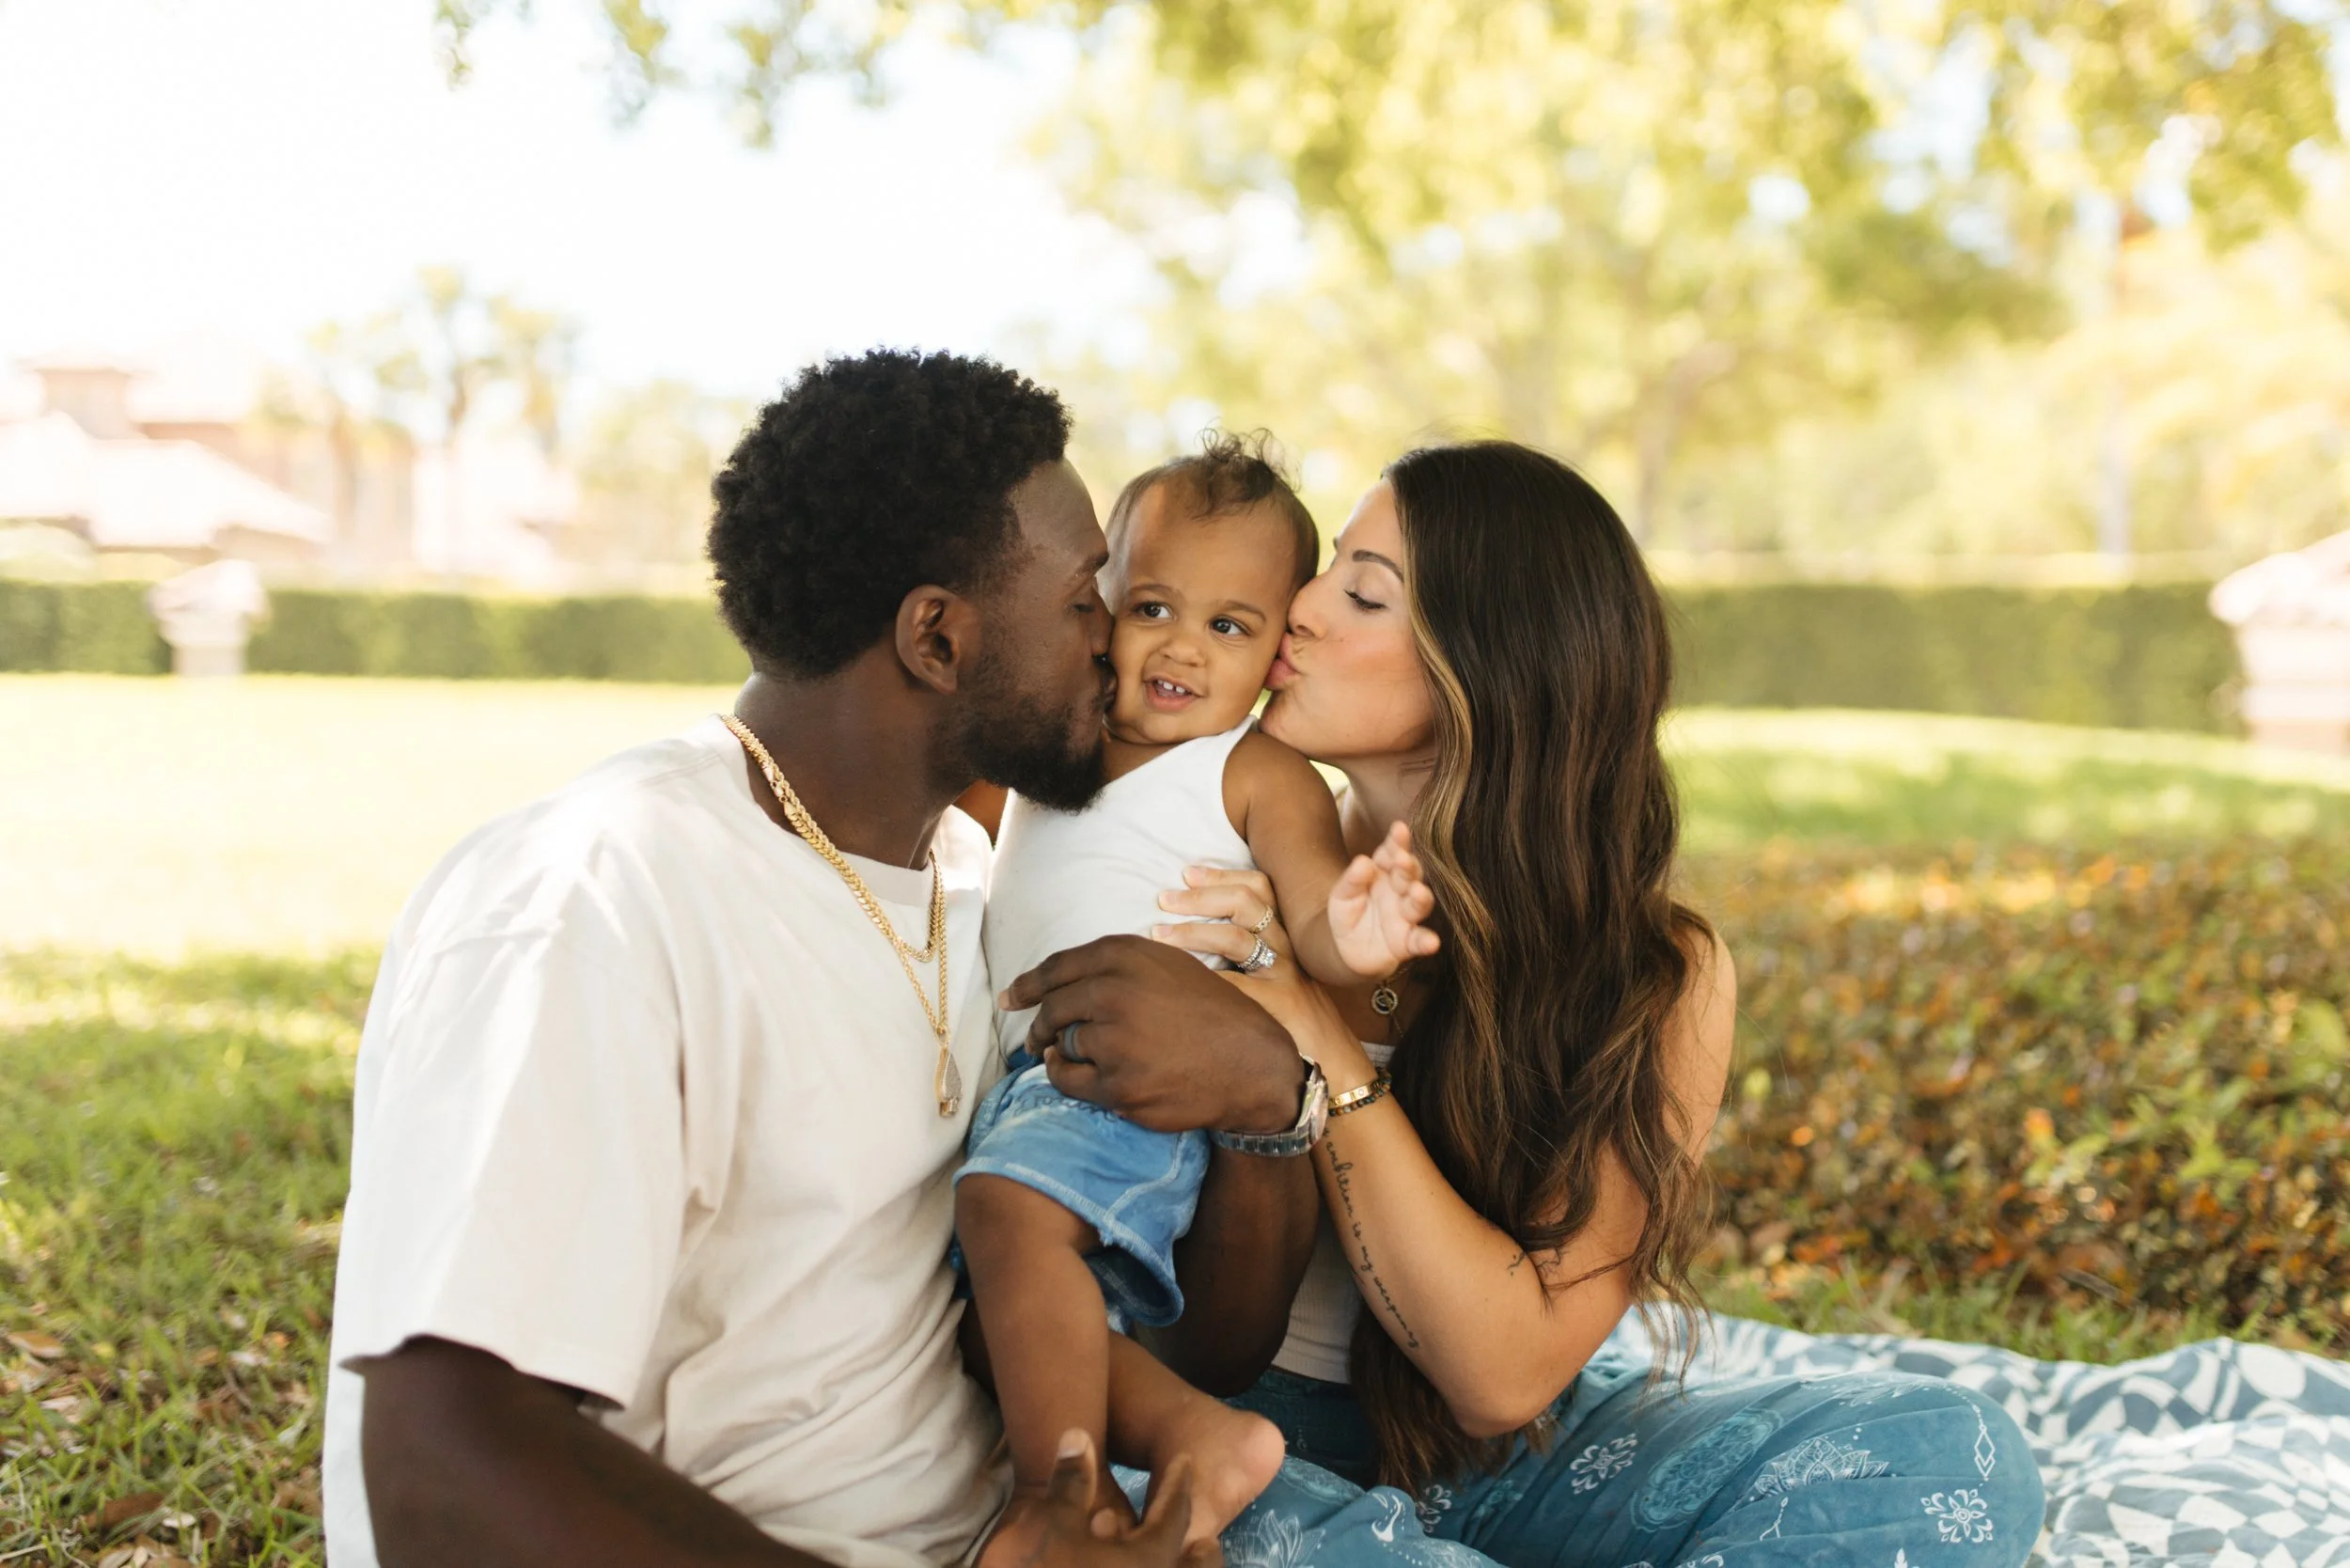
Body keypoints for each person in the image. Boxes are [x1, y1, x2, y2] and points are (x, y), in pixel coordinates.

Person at [321, 350, 1331, 1568]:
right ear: (937, 640)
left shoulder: (973, 892)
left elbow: (1202, 1351)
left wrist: (1269, 1097)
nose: (1118, 641)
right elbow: (440, 1475)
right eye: (1087, 601)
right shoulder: (595, 898)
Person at [1005, 441, 2048, 1567]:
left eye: (1359, 590)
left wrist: (1314, 1035)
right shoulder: (1202, 824)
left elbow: (1504, 1376)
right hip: (1229, 1435)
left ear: (1488, 667)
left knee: (1948, 1450)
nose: (1296, 609)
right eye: (1325, 573)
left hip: (1487, 1457)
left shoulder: (1657, 977)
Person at [957, 434, 1441, 1548]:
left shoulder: (1252, 769)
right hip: (1045, 1084)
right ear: (1100, 608)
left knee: (1004, 1216)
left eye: (1229, 627)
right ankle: (1197, 1437)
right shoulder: (1055, 747)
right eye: (1151, 608)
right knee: (997, 1306)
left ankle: (1057, 1500)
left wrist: (1358, 932)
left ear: (1275, 648)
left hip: (1140, 1083)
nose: (1182, 647)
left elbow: (1313, 915)